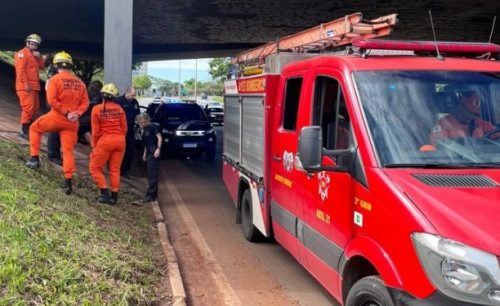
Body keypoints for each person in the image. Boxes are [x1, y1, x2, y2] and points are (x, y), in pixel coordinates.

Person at [26, 51, 89, 195]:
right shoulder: (80, 83)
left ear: (56, 64)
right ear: (70, 66)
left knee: (35, 129)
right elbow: (85, 102)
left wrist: (66, 112)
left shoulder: (54, 80)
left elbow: (52, 101)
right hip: (72, 122)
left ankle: (34, 159)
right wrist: (76, 114)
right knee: (68, 152)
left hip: (57, 117)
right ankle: (68, 184)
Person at [89, 83, 127, 205]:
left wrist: (95, 146)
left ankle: (104, 194)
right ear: (114, 96)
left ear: (102, 95)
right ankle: (114, 197)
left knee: (94, 168)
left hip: (105, 141)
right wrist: (120, 138)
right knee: (115, 170)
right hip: (120, 141)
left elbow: (95, 131)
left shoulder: (96, 109)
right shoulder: (120, 109)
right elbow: (124, 128)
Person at [14, 34, 45, 139]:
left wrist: (39, 57)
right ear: (27, 43)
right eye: (32, 44)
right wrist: (26, 83)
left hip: (34, 87)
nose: (34, 46)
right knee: (28, 108)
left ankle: (30, 130)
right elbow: (20, 70)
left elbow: (42, 67)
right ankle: (24, 130)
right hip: (25, 86)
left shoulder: (34, 55)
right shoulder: (22, 54)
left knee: (35, 109)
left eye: (36, 45)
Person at [115, 87, 140, 178]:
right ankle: (115, 170)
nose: (132, 97)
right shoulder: (118, 101)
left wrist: (141, 125)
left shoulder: (134, 102)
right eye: (131, 95)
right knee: (118, 151)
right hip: (119, 131)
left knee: (130, 151)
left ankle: (125, 171)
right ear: (127, 92)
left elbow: (137, 115)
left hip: (130, 131)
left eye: (134, 96)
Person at [137, 113, 162, 203]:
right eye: (141, 123)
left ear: (148, 120)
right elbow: (146, 143)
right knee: (149, 174)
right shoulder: (145, 129)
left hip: (154, 151)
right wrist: (144, 154)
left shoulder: (153, 127)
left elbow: (159, 138)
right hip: (148, 152)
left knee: (153, 175)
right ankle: (150, 193)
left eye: (144, 122)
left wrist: (158, 149)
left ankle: (152, 195)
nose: (143, 124)